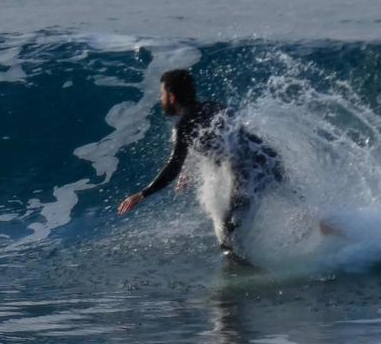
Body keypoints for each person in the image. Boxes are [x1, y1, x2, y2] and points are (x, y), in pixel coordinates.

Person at [118, 68, 285, 257]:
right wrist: (188, 171)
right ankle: (321, 231)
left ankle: (243, 281)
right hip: (268, 158)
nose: (160, 99)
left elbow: (174, 164)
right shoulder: (214, 107)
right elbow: (227, 143)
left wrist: (143, 193)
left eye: (162, 94)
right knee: (295, 203)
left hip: (246, 173)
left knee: (228, 237)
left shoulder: (185, 123)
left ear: (172, 97)